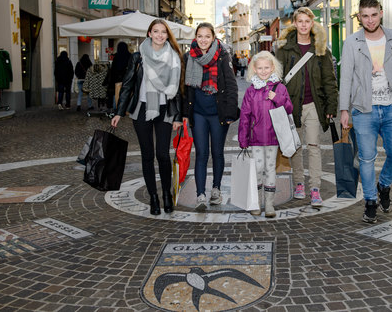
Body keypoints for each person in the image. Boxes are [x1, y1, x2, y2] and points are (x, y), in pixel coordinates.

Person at [339, 0, 392, 224]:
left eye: (373, 14)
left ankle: (383, 185)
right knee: (366, 159)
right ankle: (369, 201)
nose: (369, 20)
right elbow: (345, 77)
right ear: (359, 17)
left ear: (381, 13)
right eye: (364, 16)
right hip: (363, 110)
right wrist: (343, 109)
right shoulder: (352, 42)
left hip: (391, 108)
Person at [111, 20, 183, 215]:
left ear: (168, 35)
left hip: (164, 109)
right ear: (149, 33)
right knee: (147, 155)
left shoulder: (174, 58)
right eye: (156, 31)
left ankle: (166, 194)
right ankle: (153, 197)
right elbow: (127, 85)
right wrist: (119, 112)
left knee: (162, 154)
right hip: (142, 109)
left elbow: (177, 91)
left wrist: (178, 115)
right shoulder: (138, 57)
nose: (160, 35)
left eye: (163, 32)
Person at [276, 6, 338, 208]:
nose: (303, 25)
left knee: (313, 147)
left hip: (313, 105)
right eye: (300, 21)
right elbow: (276, 79)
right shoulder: (284, 49)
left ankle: (315, 188)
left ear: (312, 23)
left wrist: (331, 106)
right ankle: (299, 183)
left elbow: (330, 81)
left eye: (307, 21)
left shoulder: (321, 49)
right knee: (295, 147)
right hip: (291, 105)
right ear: (294, 23)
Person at [182, 22, 238, 211]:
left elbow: (231, 85)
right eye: (200, 36)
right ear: (195, 38)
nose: (203, 40)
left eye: (207, 36)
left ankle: (216, 189)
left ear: (213, 38)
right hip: (198, 113)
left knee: (217, 153)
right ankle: (200, 195)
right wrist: (184, 114)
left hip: (218, 113)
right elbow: (184, 89)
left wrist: (231, 112)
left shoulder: (222, 56)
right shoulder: (188, 56)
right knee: (201, 154)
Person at [238, 51, 293, 217]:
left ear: (273, 68)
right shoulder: (250, 91)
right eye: (259, 68)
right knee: (257, 169)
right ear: (254, 69)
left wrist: (278, 98)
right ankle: (255, 202)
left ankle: (269, 204)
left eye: (266, 67)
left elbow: (289, 108)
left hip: (273, 137)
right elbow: (245, 115)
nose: (263, 71)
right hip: (255, 139)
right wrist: (243, 137)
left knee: (270, 169)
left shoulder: (280, 88)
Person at [107, 41, 132, 111]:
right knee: (126, 93)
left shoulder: (116, 57)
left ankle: (116, 108)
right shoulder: (129, 56)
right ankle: (126, 108)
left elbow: (113, 70)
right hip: (127, 79)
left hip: (116, 79)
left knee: (116, 93)